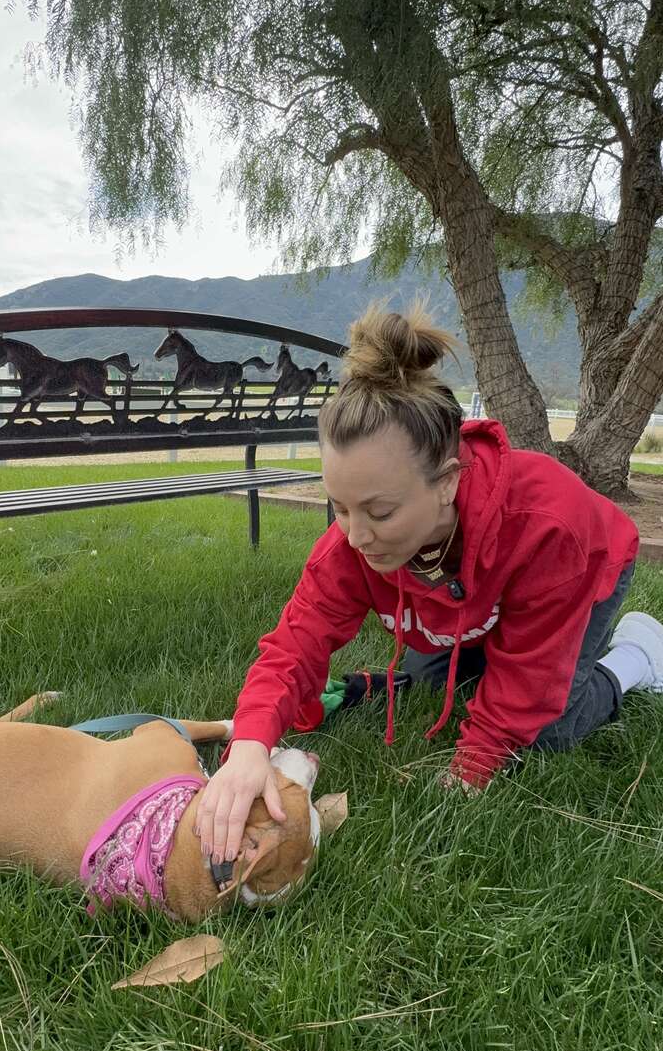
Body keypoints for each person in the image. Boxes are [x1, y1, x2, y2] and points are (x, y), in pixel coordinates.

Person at [196, 305, 663, 864]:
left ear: (446, 482)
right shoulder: (351, 545)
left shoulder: (545, 526)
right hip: (472, 604)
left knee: (546, 727)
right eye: (340, 507)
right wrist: (251, 745)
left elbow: (531, 678)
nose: (357, 536)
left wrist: (472, 766)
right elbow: (296, 644)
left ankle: (638, 655)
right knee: (431, 677)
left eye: (380, 511)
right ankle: (487, 648)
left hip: (588, 568)